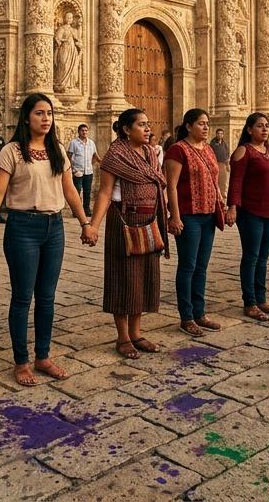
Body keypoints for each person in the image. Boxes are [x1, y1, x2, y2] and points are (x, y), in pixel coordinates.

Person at [0, 94, 94, 386]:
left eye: (49, 113)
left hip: (54, 228)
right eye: (40, 113)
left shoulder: (58, 151)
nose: (46, 118)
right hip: (22, 227)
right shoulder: (12, 151)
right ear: (27, 117)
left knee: (48, 297)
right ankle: (21, 361)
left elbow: (70, 191)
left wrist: (85, 222)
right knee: (23, 296)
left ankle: (43, 355)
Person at [88, 108, 169, 359]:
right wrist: (93, 225)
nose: (147, 129)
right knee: (123, 279)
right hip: (124, 220)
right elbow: (104, 192)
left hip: (149, 219)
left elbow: (158, 185)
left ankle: (136, 333)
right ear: (126, 129)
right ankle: (122, 337)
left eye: (148, 124)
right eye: (141, 125)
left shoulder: (149, 153)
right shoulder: (115, 156)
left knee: (144, 278)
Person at [164, 109, 224, 337]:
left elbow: (213, 180)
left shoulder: (208, 149)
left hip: (208, 214)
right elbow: (171, 186)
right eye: (201, 123)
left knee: (202, 266)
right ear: (188, 126)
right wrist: (175, 216)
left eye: (207, 123)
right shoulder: (177, 150)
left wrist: (221, 203)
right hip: (188, 216)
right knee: (188, 266)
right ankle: (186, 317)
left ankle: (200, 313)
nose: (206, 127)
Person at [227, 112, 269, 321]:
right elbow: (236, 182)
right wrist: (232, 207)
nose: (264, 129)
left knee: (263, 258)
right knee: (251, 257)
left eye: (267, 126)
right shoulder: (244, 151)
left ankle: (261, 299)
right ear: (249, 129)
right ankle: (249, 302)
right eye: (260, 126)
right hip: (251, 212)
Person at [66, 123, 100, 218]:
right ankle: (76, 211)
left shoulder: (91, 143)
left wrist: (95, 163)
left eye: (86, 130)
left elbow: (95, 155)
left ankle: (86, 209)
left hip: (88, 171)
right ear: (79, 132)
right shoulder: (74, 143)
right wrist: (72, 169)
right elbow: (69, 156)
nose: (84, 132)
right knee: (76, 192)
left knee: (87, 192)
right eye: (82, 130)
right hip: (77, 171)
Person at [210, 129, 230, 196]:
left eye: (221, 133)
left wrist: (227, 165)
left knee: (223, 182)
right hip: (215, 164)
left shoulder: (224, 144)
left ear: (223, 135)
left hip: (223, 165)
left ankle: (223, 197)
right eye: (218, 133)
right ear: (216, 134)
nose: (219, 135)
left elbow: (227, 154)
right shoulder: (212, 143)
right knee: (216, 181)